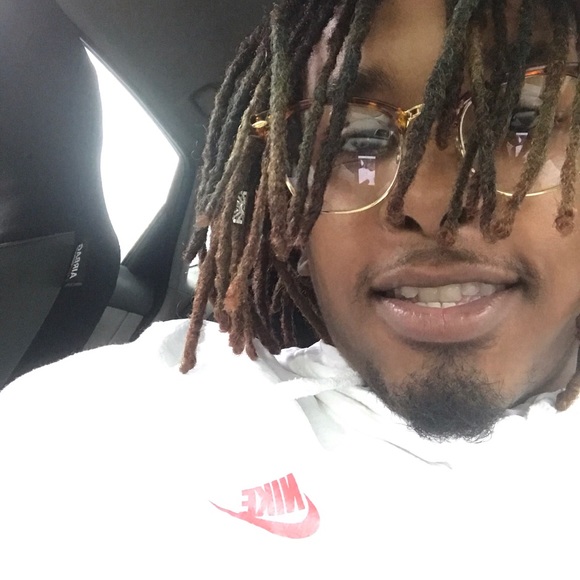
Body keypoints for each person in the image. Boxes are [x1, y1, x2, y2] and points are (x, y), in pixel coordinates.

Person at [1, 0, 580, 577]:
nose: (428, 203)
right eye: (356, 138)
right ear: (296, 219)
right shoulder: (95, 436)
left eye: (520, 120)